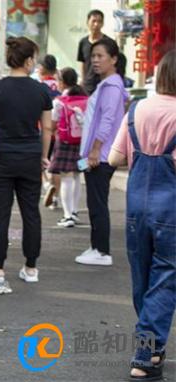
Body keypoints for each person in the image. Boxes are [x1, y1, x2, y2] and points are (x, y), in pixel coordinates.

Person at [108, 50, 176, 382]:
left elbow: (114, 157)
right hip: (171, 210)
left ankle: (151, 346)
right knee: (164, 280)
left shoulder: (137, 109)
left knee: (143, 277)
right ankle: (145, 354)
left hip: (136, 208)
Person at [0, 37, 52, 285]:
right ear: (29, 60)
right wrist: (43, 156)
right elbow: (48, 128)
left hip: (2, 159)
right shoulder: (41, 90)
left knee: (1, 213)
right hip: (30, 157)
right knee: (31, 213)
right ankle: (31, 268)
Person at [75, 39, 127, 267]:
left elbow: (106, 121)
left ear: (114, 59)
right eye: (93, 56)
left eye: (100, 56)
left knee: (97, 203)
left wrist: (95, 150)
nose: (95, 60)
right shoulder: (107, 84)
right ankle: (96, 246)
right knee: (95, 202)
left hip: (101, 155)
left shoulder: (112, 86)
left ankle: (102, 251)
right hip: (99, 153)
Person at [46, 67, 87, 228]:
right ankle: (75, 212)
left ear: (62, 82)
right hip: (83, 143)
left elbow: (52, 124)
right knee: (77, 175)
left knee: (66, 177)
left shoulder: (59, 102)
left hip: (64, 143)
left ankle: (67, 214)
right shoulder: (86, 99)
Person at [38, 54, 62, 210]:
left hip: (44, 129)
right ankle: (57, 198)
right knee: (56, 165)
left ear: (43, 68)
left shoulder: (40, 86)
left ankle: (47, 184)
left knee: (40, 161)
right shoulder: (60, 86)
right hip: (60, 132)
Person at [77, 9, 114, 95]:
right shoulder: (83, 42)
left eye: (99, 21)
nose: (96, 24)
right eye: (93, 21)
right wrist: (83, 80)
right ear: (88, 22)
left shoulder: (109, 43)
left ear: (103, 24)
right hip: (88, 87)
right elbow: (82, 63)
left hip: (104, 85)